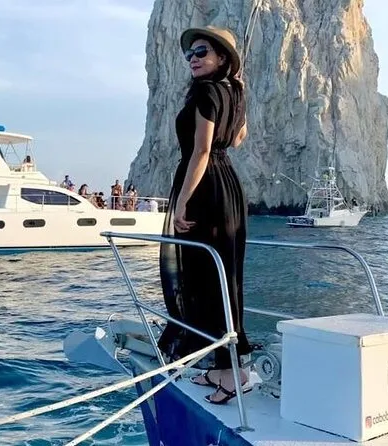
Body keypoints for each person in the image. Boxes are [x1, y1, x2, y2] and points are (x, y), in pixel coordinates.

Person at [157, 25, 251, 405]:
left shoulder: (206, 92)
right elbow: (238, 139)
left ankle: (232, 374)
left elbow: (201, 151)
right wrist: (238, 95)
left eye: (201, 53)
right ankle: (224, 365)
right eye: (190, 54)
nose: (193, 59)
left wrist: (181, 201)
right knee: (224, 276)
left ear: (221, 57)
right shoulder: (233, 92)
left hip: (205, 188)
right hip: (227, 187)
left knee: (206, 279)